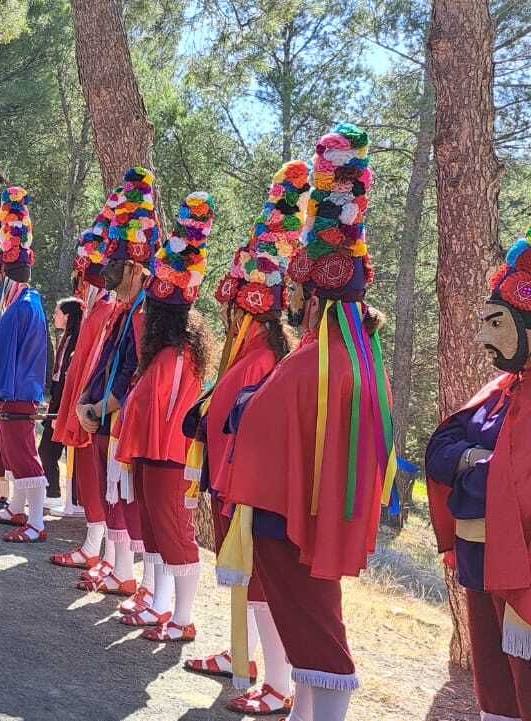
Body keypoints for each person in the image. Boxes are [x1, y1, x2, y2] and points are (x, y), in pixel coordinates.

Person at [220, 124, 390, 721]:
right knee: (304, 623)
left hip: (298, 519)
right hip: (293, 514)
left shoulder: (324, 360)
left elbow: (268, 421)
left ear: (317, 294)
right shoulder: (330, 357)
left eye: (297, 288)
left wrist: (241, 412)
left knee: (318, 628)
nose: (289, 299)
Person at [178, 161, 307, 714]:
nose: (225, 311)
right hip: (233, 484)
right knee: (247, 584)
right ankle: (243, 659)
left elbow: (246, 424)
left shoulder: (261, 358)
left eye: (231, 303)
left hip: (247, 488)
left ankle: (276, 684)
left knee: (260, 587)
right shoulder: (249, 352)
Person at [426, 229, 531, 721]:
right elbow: (441, 450)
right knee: (493, 691)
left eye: (497, 322)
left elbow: (512, 481)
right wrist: (476, 463)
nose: (482, 337)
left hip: (521, 571)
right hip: (478, 562)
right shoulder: (498, 390)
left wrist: (480, 468)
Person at [110, 192, 214, 643]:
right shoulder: (164, 355)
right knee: (154, 532)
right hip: (151, 457)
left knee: (174, 535)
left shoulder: (177, 357)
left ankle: (183, 616)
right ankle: (159, 603)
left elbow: (166, 415)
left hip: (168, 459)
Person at [75, 170, 156, 605]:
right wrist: (88, 402)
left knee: (122, 496)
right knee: (113, 495)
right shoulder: (126, 311)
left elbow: (135, 370)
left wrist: (101, 405)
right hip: (106, 417)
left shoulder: (143, 315)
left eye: (116, 270)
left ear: (136, 268)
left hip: (120, 418)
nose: (109, 279)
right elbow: (108, 361)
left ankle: (126, 571)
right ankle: (117, 566)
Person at [0, 187, 52, 543]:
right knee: (13, 452)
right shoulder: (24, 301)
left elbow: (4, 349)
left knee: (24, 455)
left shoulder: (23, 305)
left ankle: (37, 521)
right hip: (14, 387)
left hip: (19, 389)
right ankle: (18, 507)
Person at [49, 201, 122, 577]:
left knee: (101, 482)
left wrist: (88, 406)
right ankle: (95, 547)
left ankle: (100, 550)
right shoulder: (96, 309)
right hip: (88, 406)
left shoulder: (107, 309)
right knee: (91, 479)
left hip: (99, 411)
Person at [40, 298, 84, 508]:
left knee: (65, 450)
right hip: (57, 395)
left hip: (67, 396)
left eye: (57, 312)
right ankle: (53, 491)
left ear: (67, 316)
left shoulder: (78, 340)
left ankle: (74, 499)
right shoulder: (65, 337)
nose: (54, 316)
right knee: (47, 448)